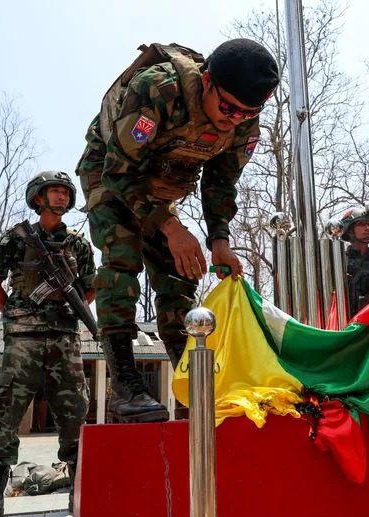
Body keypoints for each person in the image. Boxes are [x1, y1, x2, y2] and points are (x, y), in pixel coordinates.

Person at [76, 38, 279, 422]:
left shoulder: (243, 119)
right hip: (111, 173)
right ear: (206, 80)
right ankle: (125, 385)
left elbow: (221, 183)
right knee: (122, 260)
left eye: (247, 112)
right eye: (227, 108)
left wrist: (219, 240)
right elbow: (120, 172)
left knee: (178, 277)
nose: (234, 119)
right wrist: (171, 226)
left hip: (163, 185)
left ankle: (191, 386)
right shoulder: (157, 89)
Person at [0, 171, 95, 517]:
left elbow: (89, 289)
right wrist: (16, 313)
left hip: (64, 338)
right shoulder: (15, 237)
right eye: (54, 191)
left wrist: (65, 308)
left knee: (74, 411)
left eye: (65, 192)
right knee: (8, 411)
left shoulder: (78, 244)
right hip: (23, 339)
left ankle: (79, 487)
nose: (61, 197)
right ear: (38, 197)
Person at [339, 205, 369, 316]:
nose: (367, 228)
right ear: (349, 230)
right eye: (361, 224)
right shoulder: (339, 262)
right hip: (344, 323)